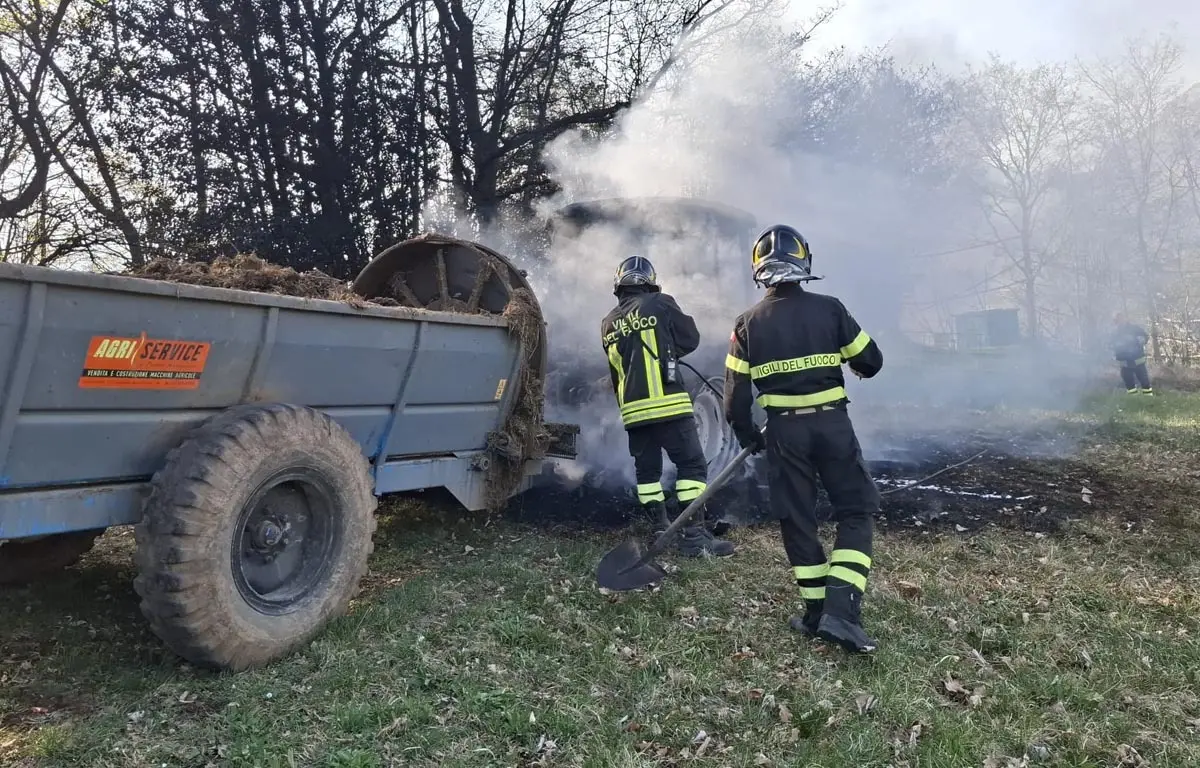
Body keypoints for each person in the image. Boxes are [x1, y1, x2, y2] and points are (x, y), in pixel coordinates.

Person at [722, 225, 883, 654]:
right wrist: (854, 365)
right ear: (804, 263)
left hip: (783, 432)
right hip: (832, 426)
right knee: (855, 511)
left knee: (797, 519)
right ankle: (840, 612)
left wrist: (746, 435)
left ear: (758, 269)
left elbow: (735, 400)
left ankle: (816, 613)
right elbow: (871, 361)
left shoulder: (745, 325)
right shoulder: (831, 310)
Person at [601, 255, 736, 557]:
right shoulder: (660, 303)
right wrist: (668, 349)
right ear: (650, 282)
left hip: (633, 413)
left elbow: (615, 373)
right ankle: (693, 537)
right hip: (669, 406)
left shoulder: (607, 323)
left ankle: (660, 528)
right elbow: (691, 338)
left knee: (647, 474)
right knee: (691, 466)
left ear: (619, 286)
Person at [1111, 313, 1153, 395]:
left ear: (1125, 319)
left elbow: (1145, 337)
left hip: (1138, 361)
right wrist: (1115, 346)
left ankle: (1149, 400)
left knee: (1144, 382)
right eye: (1117, 320)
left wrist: (1139, 340)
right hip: (1124, 363)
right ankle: (1133, 400)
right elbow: (1110, 344)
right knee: (1129, 384)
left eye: (1121, 319)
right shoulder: (1115, 332)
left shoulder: (1134, 329)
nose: (1120, 322)